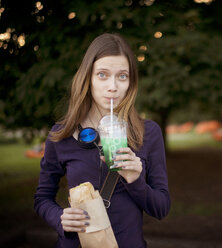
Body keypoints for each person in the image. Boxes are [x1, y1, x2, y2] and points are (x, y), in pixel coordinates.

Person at [34, 33, 171, 248]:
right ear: (88, 78)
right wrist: (60, 219)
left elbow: (161, 208)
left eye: (122, 76)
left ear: (131, 82)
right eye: (102, 75)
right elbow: (42, 198)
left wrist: (135, 181)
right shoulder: (63, 134)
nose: (113, 86)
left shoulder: (148, 133)